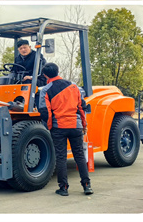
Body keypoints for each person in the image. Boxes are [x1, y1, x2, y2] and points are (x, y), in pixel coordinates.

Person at [38, 63, 93, 196]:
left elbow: (45, 112)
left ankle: (63, 188)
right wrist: (83, 125)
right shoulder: (74, 86)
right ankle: (87, 186)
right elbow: (82, 107)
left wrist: (50, 127)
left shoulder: (45, 90)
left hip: (59, 128)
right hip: (76, 126)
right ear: (58, 71)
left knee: (61, 157)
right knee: (79, 156)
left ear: (45, 75)